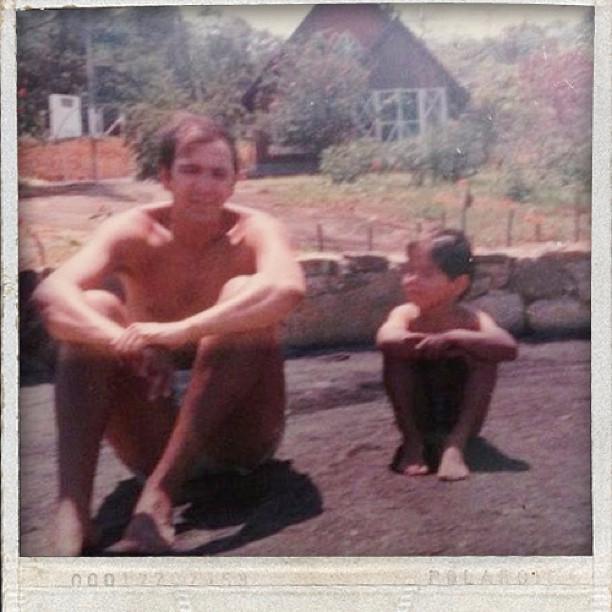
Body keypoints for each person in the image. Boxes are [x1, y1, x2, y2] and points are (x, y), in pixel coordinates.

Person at [33, 112, 306, 555]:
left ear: (235, 182)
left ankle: (159, 497)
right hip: (153, 428)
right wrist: (126, 343)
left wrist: (182, 331)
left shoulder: (255, 230)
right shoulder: (134, 230)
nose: (204, 185)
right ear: (165, 176)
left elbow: (286, 287)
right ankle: (73, 514)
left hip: (238, 434)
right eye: (190, 170)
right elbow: (52, 295)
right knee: (97, 307)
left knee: (243, 295)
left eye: (218, 173)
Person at [376, 229, 517, 481]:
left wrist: (454, 338)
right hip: (420, 417)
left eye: (426, 273)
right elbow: (386, 337)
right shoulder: (405, 315)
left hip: (461, 420)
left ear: (458, 284)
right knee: (395, 354)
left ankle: (455, 445)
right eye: (409, 271)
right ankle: (412, 442)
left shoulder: (472, 319)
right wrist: (422, 343)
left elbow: (507, 346)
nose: (411, 280)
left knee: (485, 353)